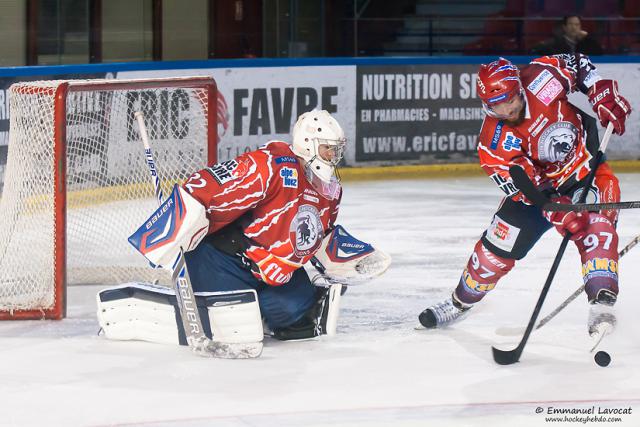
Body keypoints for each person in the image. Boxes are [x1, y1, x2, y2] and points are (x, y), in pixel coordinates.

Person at [418, 55, 631, 337]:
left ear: (519, 88)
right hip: (535, 196)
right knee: (492, 255)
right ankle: (461, 301)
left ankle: (601, 304)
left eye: (509, 100)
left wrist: (599, 89)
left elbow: (579, 65)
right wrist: (555, 208)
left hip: (584, 170)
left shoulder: (543, 76)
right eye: (495, 105)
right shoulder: (492, 143)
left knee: (596, 230)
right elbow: (527, 187)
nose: (505, 110)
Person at [532, 15, 603, 56]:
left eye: (576, 24)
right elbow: (535, 50)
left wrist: (587, 38)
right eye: (570, 24)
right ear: (564, 27)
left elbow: (599, 53)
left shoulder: (586, 42)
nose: (574, 27)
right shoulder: (555, 42)